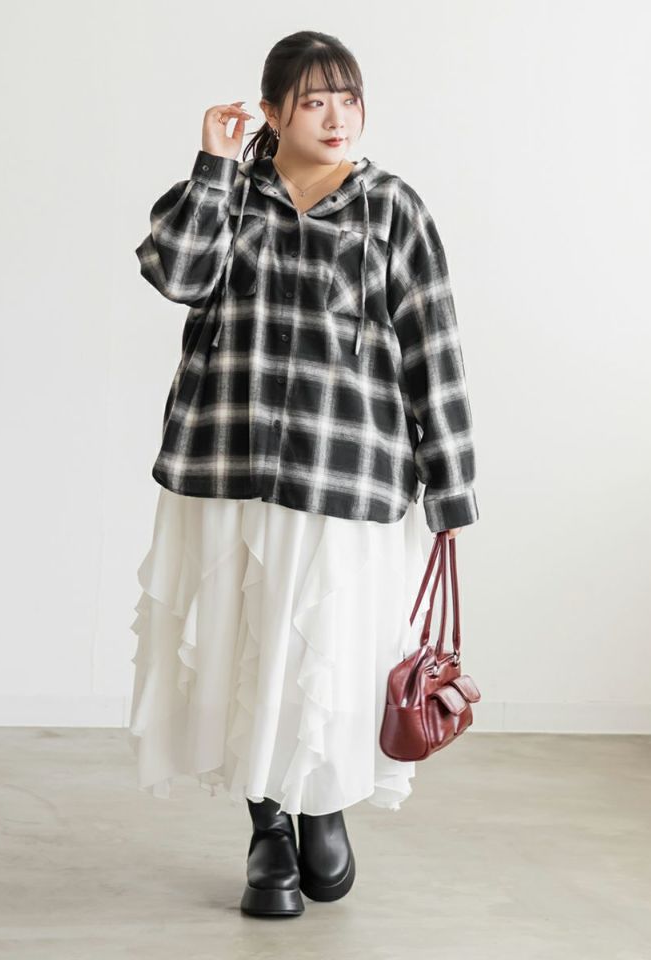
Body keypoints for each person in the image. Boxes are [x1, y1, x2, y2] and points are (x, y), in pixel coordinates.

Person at [128, 30, 480, 918]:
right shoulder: (232, 194)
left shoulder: (392, 207)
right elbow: (177, 275)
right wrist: (213, 166)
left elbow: (433, 346)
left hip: (347, 469)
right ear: (272, 110)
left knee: (331, 647)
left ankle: (321, 802)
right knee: (246, 646)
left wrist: (451, 483)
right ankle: (268, 831)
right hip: (229, 461)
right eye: (315, 100)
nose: (336, 118)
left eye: (348, 99)